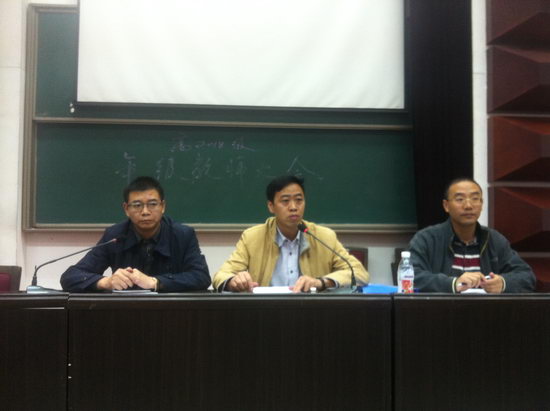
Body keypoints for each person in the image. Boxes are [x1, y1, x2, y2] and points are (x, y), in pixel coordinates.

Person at [212, 175, 369, 292]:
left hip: (312, 311)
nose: (293, 207)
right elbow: (221, 275)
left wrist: (321, 282)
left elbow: (359, 273)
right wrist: (233, 281)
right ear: (271, 206)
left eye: (299, 200)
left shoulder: (323, 236)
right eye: (285, 201)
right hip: (265, 310)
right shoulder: (252, 237)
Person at [60, 176, 210, 292]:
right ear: (126, 209)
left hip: (171, 313)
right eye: (137, 205)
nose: (145, 212)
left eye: (152, 204)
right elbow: (70, 277)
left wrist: (155, 282)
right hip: (125, 312)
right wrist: (106, 282)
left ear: (163, 206)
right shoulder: (115, 236)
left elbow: (201, 277)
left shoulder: (182, 235)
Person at [409, 177, 535, 293]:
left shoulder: (494, 240)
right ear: (446, 206)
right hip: (442, 309)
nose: (468, 206)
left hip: (487, 309)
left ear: (481, 204)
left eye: (475, 199)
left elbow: (527, 277)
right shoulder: (427, 239)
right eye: (460, 199)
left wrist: (503, 283)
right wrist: (453, 283)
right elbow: (410, 277)